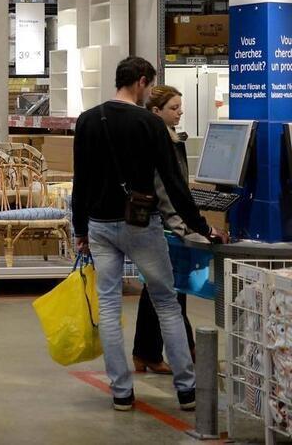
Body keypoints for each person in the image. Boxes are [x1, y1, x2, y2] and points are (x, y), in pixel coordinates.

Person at [72, 57, 224, 412]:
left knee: (109, 306)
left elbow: (82, 181)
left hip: (99, 224)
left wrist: (80, 228)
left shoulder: (88, 120)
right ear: (141, 82)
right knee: (166, 302)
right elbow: (173, 184)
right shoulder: (149, 124)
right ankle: (186, 390)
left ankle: (121, 393)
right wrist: (201, 227)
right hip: (142, 223)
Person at [132, 85, 200, 373]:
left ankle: (146, 352)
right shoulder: (159, 142)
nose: (180, 112)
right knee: (171, 289)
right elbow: (164, 191)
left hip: (164, 223)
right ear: (155, 111)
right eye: (174, 107)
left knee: (159, 288)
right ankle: (187, 354)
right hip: (162, 224)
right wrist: (184, 227)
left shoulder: (171, 138)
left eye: (180, 106)